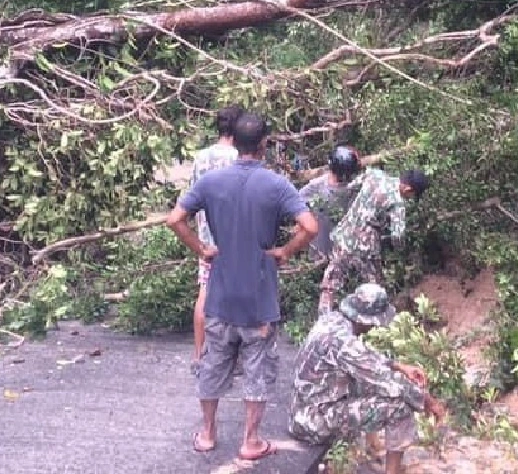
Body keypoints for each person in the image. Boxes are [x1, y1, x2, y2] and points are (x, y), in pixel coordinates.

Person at [166, 112, 320, 461]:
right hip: (258, 298)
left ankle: (207, 433)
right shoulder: (277, 184)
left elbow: (174, 219)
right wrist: (284, 251)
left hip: (220, 295)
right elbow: (309, 227)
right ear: (264, 144)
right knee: (257, 366)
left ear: (232, 142)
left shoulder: (211, 182)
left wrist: (202, 249)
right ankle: (250, 440)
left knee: (213, 363)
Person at [289, 283, 446, 474]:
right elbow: (389, 381)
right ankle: (392, 471)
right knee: (400, 405)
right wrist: (429, 401)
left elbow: (366, 358)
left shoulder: (333, 321)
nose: (373, 327)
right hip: (313, 422)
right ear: (364, 319)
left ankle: (373, 447)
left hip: (303, 411)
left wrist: (398, 365)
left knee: (369, 383)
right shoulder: (344, 342)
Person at [318, 167, 430, 313]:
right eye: (412, 195)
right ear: (408, 189)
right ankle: (375, 325)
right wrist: (400, 250)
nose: (409, 198)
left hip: (344, 237)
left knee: (330, 284)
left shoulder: (375, 174)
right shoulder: (397, 203)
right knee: (376, 290)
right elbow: (397, 235)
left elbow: (351, 187)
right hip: (365, 250)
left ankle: (323, 319)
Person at [189, 105, 243, 371]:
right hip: (236, 236)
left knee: (205, 292)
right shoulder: (240, 157)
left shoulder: (201, 157)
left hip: (207, 237)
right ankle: (235, 356)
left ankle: (199, 355)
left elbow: (192, 198)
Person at [298, 145, 362, 263]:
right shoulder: (317, 185)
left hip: (344, 252)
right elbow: (295, 202)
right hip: (320, 250)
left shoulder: (356, 188)